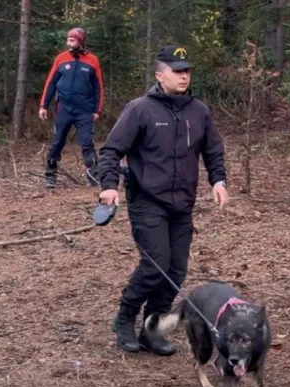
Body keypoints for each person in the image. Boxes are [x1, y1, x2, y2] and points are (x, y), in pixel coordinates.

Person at [97, 45, 229, 356]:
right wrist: (109, 185)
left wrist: (218, 180)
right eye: (177, 71)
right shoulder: (140, 109)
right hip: (147, 201)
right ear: (160, 75)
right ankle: (125, 318)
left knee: (176, 271)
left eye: (187, 71)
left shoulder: (200, 111)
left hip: (182, 203)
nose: (184, 76)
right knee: (155, 266)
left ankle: (151, 328)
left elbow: (213, 150)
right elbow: (112, 151)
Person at [39, 27, 104, 188]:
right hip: (64, 108)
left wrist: (97, 110)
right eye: (68, 38)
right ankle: (50, 175)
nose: (69, 41)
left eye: (73, 39)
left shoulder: (92, 60)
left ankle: (93, 176)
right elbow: (51, 82)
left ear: (80, 41)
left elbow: (98, 87)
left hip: (85, 110)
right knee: (57, 142)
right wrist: (43, 105)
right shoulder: (61, 58)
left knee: (87, 143)